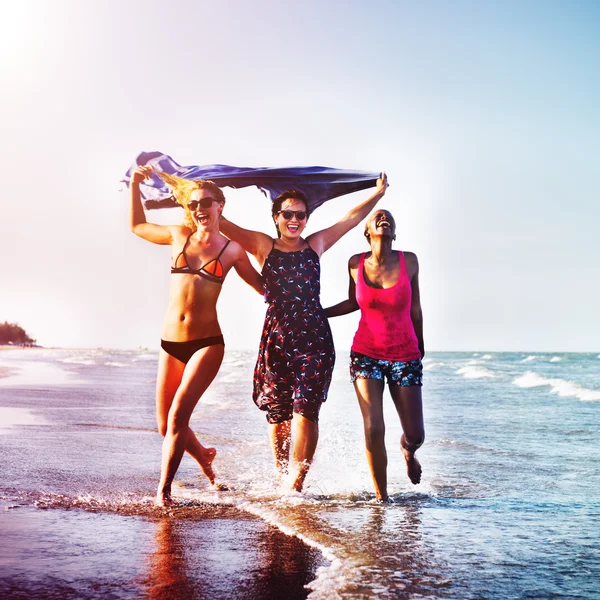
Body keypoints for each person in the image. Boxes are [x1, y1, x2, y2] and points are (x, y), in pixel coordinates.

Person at [219, 174, 387, 492]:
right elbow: (222, 223)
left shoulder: (316, 244)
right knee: (278, 413)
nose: (294, 220)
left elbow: (350, 220)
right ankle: (283, 476)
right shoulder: (261, 244)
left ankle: (295, 486)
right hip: (276, 339)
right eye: (288, 214)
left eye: (300, 215)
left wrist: (377, 194)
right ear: (276, 217)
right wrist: (194, 198)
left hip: (314, 339)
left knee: (306, 408)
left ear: (307, 218)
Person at [129, 165, 263, 506]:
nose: (200, 209)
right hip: (170, 344)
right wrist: (134, 185)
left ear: (220, 206)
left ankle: (164, 493)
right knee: (165, 425)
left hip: (207, 344)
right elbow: (137, 226)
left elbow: (264, 288)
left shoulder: (232, 250)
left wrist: (293, 272)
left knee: (177, 418)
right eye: (193, 205)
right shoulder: (177, 236)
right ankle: (204, 456)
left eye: (206, 203)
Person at [325, 208, 424, 502]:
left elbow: (415, 308)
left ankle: (408, 453)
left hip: (405, 354)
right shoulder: (355, 264)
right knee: (374, 426)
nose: (383, 218)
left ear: (394, 232)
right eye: (377, 217)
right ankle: (382, 498)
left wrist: (421, 346)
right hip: (365, 353)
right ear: (367, 231)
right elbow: (352, 302)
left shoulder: (410, 261)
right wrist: (319, 313)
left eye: (389, 218)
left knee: (416, 434)